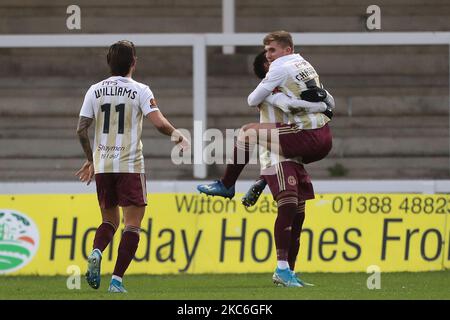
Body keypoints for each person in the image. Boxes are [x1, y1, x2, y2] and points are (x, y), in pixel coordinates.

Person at [198, 31, 334, 287]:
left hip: (292, 150)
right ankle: (282, 269)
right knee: (288, 206)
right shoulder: (272, 92)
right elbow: (268, 126)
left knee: (299, 215)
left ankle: (289, 272)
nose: (271, 61)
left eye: (272, 54)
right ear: (264, 69)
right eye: (267, 59)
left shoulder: (290, 85)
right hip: (277, 156)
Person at [76, 40, 188, 293]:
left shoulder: (94, 90)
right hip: (129, 164)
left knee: (109, 221)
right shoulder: (140, 90)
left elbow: (81, 129)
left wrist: (91, 158)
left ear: (108, 62)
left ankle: (96, 251)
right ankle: (116, 281)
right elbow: (159, 123)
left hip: (103, 165)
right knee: (132, 225)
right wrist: (178, 136)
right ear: (134, 62)